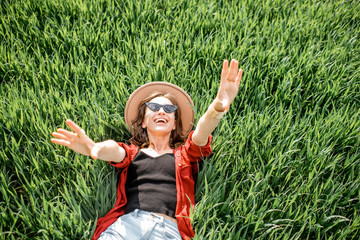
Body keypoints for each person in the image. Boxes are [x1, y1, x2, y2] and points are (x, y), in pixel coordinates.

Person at [51, 59, 243, 240]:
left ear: (175, 124)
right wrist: (95, 147)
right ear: (143, 121)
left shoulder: (184, 155)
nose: (161, 111)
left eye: (169, 110)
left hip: (169, 232)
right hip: (126, 227)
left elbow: (201, 132)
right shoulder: (134, 153)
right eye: (154, 107)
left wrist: (217, 108)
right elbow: (115, 151)